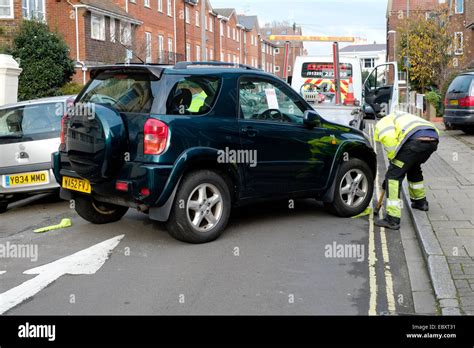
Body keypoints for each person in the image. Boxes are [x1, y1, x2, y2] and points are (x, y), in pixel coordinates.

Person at [374, 111, 439, 230]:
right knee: (414, 168)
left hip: (415, 141)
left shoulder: (383, 123)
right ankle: (421, 203)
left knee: (393, 177)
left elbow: (389, 142)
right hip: (433, 140)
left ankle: (392, 219)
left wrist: (393, 166)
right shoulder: (403, 116)